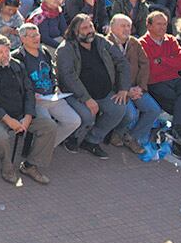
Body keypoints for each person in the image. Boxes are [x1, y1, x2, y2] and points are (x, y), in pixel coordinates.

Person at [0, 35, 58, 185]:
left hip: (20, 112)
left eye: (7, 51)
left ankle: (30, 165)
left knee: (50, 127)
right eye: (1, 52)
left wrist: (28, 116)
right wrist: (7, 119)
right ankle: (7, 167)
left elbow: (29, 90)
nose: (5, 56)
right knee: (2, 138)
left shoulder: (17, 65)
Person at [55, 14, 131, 158]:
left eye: (90, 26)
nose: (90, 30)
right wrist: (87, 99)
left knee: (119, 110)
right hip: (76, 95)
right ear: (75, 32)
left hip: (103, 92)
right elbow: (68, 77)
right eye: (84, 28)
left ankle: (91, 140)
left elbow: (122, 62)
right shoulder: (66, 48)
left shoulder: (101, 41)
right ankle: (73, 138)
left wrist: (123, 88)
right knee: (87, 116)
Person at [139, 10, 181, 152]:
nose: (162, 27)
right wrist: (169, 62)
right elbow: (151, 69)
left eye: (165, 24)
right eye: (159, 24)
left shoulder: (171, 40)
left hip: (174, 78)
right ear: (149, 26)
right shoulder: (142, 43)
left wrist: (161, 60)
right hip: (155, 82)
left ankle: (176, 131)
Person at [16, 24, 83, 147]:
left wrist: (56, 86)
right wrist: (30, 95)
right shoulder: (18, 57)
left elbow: (51, 72)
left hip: (51, 96)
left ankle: (44, 147)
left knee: (74, 121)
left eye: (37, 34)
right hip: (34, 101)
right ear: (23, 39)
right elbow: (16, 84)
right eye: (32, 36)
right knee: (48, 124)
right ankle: (39, 150)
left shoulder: (44, 51)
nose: (36, 38)